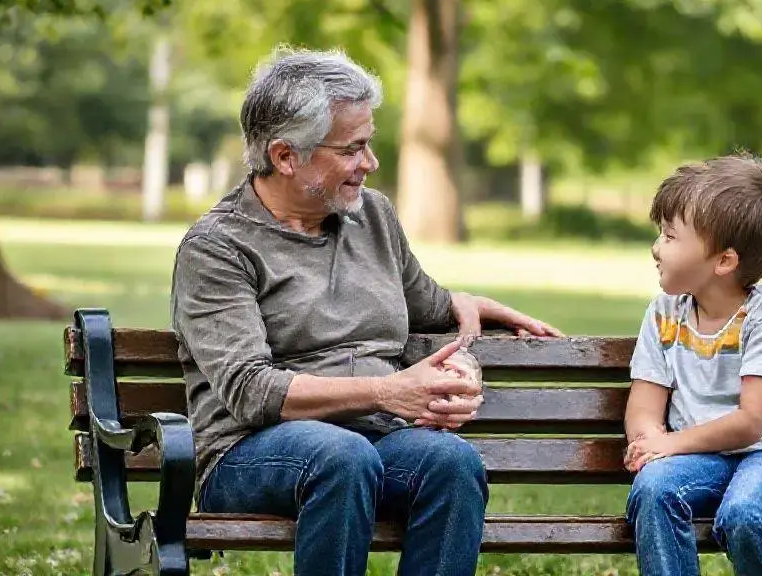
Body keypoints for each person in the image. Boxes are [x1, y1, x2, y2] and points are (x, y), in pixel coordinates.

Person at [169, 47, 562, 576]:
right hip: (251, 451)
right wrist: (389, 392)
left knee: (451, 463)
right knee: (341, 458)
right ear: (286, 156)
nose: (370, 164)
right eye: (352, 149)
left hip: (371, 439)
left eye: (368, 144)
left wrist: (464, 306)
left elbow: (421, 301)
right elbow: (250, 390)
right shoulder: (217, 249)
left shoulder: (371, 216)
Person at [623, 154, 762, 576]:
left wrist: (672, 444)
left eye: (669, 235)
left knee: (744, 515)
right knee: (654, 488)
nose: (656, 246)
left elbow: (750, 423)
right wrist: (648, 443)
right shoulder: (665, 313)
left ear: (724, 261)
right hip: (703, 460)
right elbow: (645, 403)